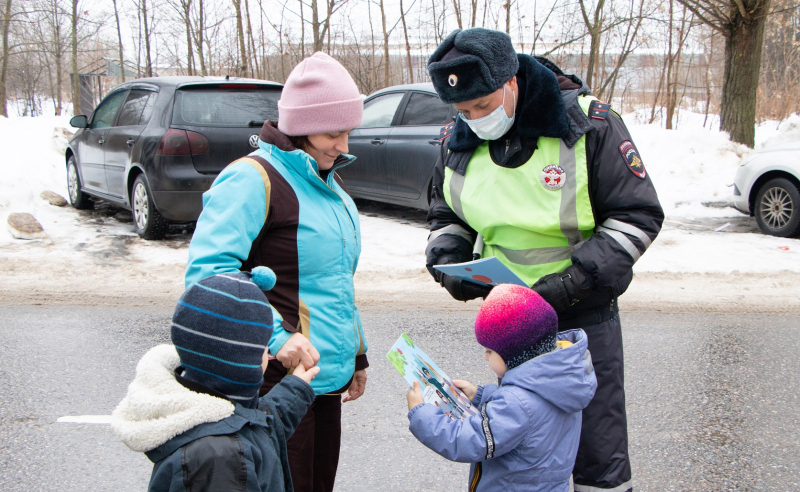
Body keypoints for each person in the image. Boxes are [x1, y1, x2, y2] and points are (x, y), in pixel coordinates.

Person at [424, 28, 664, 491]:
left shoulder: (588, 125)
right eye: (463, 111)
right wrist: (448, 256)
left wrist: (571, 282)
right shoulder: (457, 137)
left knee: (596, 453)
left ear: (511, 82)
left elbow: (637, 216)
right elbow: (447, 212)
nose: (474, 119)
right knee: (521, 451)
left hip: (579, 316)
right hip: (511, 321)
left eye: (484, 105)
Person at [183, 51, 368, 492]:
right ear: (301, 128)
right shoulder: (252, 179)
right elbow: (208, 276)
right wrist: (278, 338)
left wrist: (356, 353)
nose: (343, 146)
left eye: (348, 133)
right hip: (271, 383)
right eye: (333, 133)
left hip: (320, 379)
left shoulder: (327, 180)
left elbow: (335, 280)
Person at [111, 268, 319, 492]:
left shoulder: (218, 413)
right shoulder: (220, 457)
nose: (268, 352)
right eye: (263, 346)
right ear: (244, 360)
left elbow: (262, 424)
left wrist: (295, 388)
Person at [405, 284, 597, 491]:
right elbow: (534, 413)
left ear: (515, 354)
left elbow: (470, 440)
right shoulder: (560, 380)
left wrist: (422, 414)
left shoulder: (517, 404)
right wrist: (480, 396)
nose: (485, 356)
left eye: (489, 351)